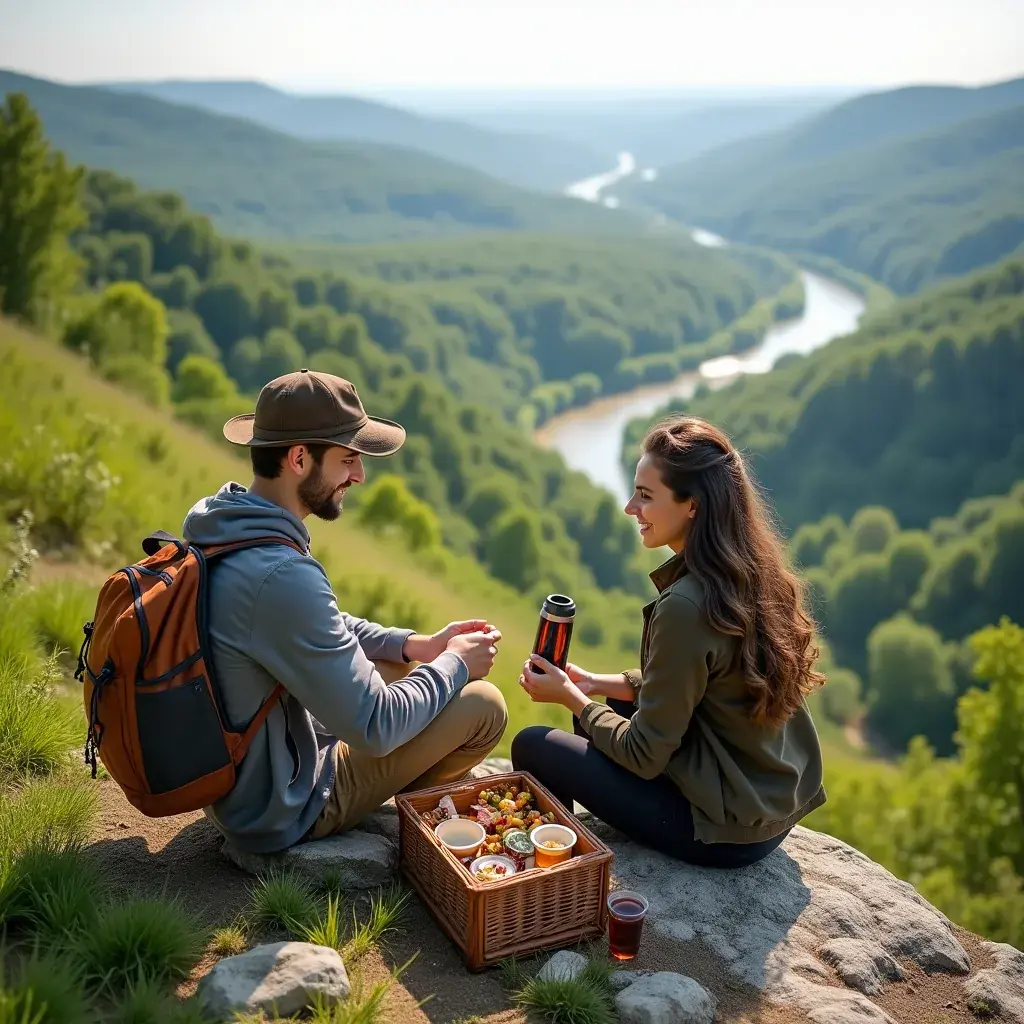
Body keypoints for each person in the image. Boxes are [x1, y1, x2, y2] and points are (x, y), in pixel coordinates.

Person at [183, 368, 507, 854]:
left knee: (397, 665)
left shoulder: (229, 528)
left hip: (248, 769)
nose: (358, 475)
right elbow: (376, 727)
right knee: (483, 706)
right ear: (298, 459)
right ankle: (421, 826)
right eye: (348, 460)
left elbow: (322, 625)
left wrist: (415, 644)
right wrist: (455, 662)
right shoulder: (280, 574)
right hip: (280, 807)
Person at [511, 416, 826, 868]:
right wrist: (594, 684)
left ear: (692, 505)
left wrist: (572, 698)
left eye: (645, 495)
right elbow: (700, 684)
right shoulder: (753, 570)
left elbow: (643, 754)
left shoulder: (686, 605)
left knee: (534, 744)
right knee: (598, 725)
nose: (628, 508)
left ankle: (557, 878)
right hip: (768, 804)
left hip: (726, 833)